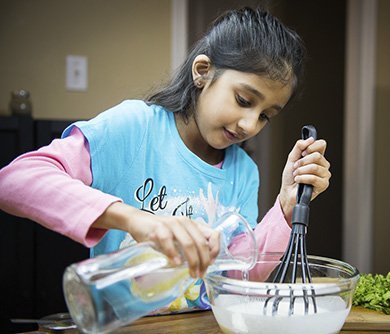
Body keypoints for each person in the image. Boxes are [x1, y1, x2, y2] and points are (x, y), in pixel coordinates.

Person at [0, 7, 331, 314]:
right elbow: (15, 181)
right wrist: (134, 219)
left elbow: (238, 275)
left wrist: (286, 208)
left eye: (265, 116)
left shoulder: (243, 173)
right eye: (244, 100)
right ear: (203, 72)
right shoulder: (135, 127)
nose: (249, 124)